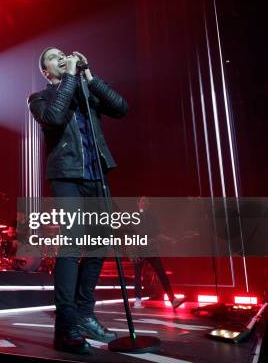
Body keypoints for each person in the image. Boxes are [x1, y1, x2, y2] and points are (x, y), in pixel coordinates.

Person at [28, 47, 128, 354]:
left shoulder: (84, 88)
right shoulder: (39, 98)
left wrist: (89, 75)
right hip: (67, 177)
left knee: (99, 247)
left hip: (96, 175)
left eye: (63, 53)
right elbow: (55, 117)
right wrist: (71, 76)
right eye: (53, 57)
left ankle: (85, 314)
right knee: (71, 246)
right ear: (47, 72)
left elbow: (121, 107)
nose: (61, 56)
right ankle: (66, 327)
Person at [133, 196, 186, 310]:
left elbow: (157, 234)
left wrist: (169, 239)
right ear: (138, 203)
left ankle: (172, 300)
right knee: (138, 275)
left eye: (147, 201)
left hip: (151, 250)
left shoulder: (153, 217)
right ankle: (137, 300)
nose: (145, 203)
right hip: (139, 250)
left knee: (162, 273)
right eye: (143, 201)